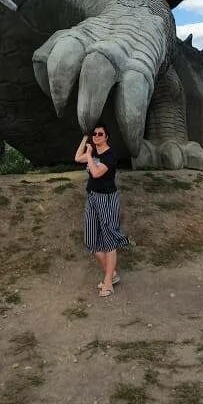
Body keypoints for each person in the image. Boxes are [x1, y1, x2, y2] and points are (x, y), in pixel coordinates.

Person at [74, 123, 129, 297]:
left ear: (106, 137)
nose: (96, 136)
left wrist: (89, 155)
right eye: (94, 134)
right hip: (92, 198)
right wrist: (84, 137)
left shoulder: (110, 156)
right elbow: (77, 158)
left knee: (109, 240)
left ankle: (108, 283)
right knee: (91, 240)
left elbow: (97, 173)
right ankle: (111, 274)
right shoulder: (95, 151)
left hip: (107, 199)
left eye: (100, 134)